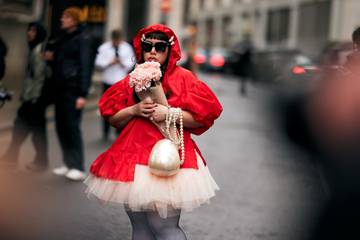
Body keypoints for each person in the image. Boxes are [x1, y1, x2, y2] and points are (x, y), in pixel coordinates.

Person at [84, 24, 223, 239]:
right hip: (133, 157)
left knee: (164, 228)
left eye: (159, 47)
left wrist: (168, 113)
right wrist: (134, 109)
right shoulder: (132, 78)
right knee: (139, 228)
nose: (152, 52)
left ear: (170, 51)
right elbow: (112, 117)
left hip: (168, 157)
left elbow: (203, 117)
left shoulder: (184, 78)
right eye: (147, 46)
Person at [51, 7, 92, 181]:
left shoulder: (82, 39)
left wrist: (82, 94)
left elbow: (85, 67)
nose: (62, 19)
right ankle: (68, 163)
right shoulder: (64, 39)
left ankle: (78, 166)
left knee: (72, 127)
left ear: (74, 20)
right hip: (60, 89)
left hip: (73, 90)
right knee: (61, 126)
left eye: (66, 17)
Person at [0, 22, 48, 170]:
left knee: (37, 131)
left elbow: (39, 77)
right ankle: (12, 155)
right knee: (20, 126)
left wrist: (33, 98)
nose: (29, 33)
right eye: (29, 30)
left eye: (33, 31)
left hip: (35, 99)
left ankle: (41, 161)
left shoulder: (39, 51)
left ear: (39, 33)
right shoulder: (33, 49)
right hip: (30, 97)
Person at [95, 29, 135, 141]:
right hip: (107, 81)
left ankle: (119, 130)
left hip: (120, 82)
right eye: (114, 40)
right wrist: (109, 62)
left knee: (121, 107)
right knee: (106, 106)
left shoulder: (126, 48)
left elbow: (131, 63)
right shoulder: (104, 48)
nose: (116, 42)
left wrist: (122, 62)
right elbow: (98, 62)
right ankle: (105, 131)